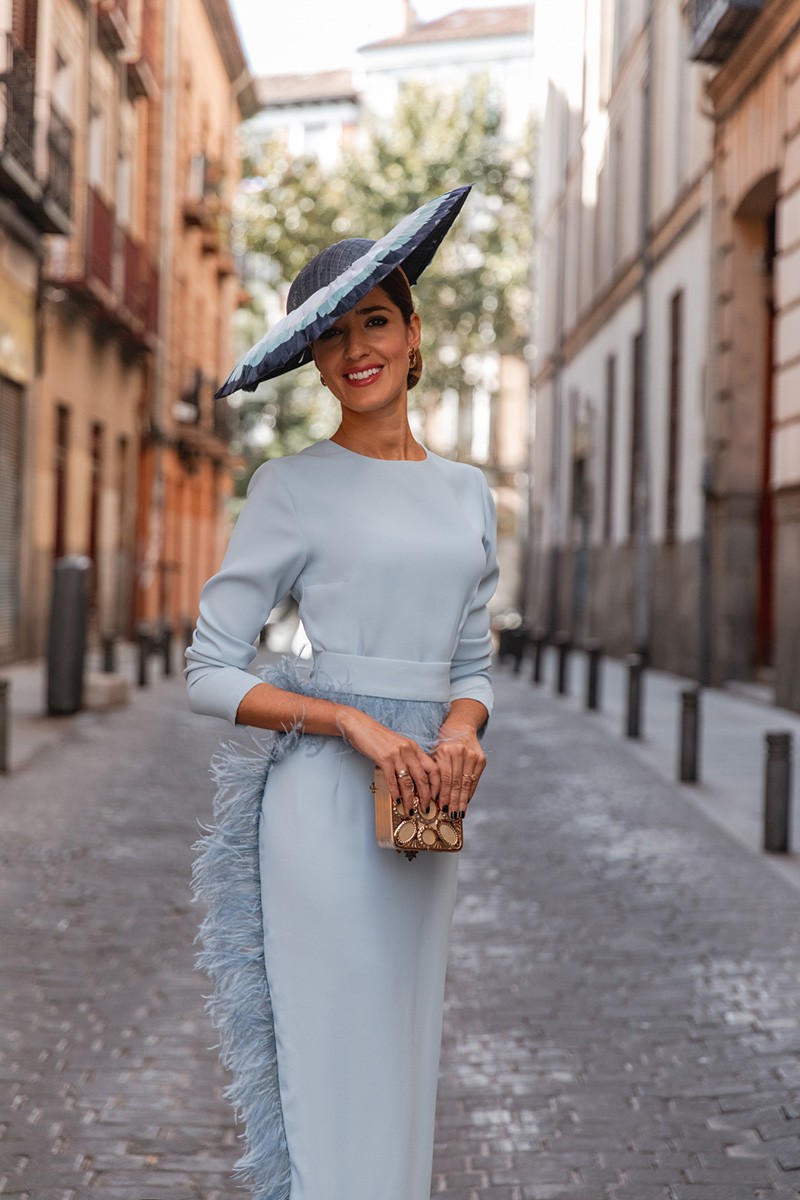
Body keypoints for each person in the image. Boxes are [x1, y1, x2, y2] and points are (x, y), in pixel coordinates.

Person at [185, 187, 499, 1200]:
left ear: (412, 335)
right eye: (329, 334)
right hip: (322, 811)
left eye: (373, 319)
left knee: (401, 1060)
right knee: (333, 1063)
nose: (353, 347)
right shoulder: (290, 486)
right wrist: (347, 718)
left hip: (422, 814)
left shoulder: (465, 492)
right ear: (315, 362)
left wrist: (461, 732)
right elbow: (209, 666)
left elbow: (470, 658)